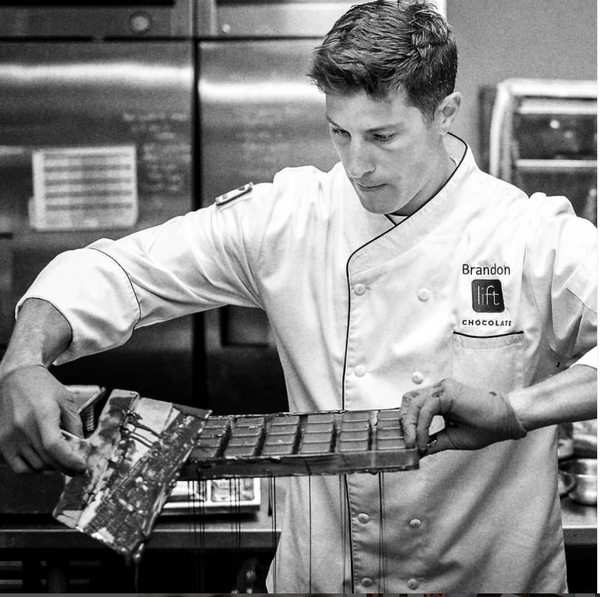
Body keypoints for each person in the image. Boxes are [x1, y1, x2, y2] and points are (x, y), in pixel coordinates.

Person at [0, 0, 595, 592]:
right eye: (340, 133)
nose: (358, 164)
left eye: (383, 136)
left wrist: (515, 413)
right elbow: (120, 270)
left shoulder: (529, 235)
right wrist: (24, 359)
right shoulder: (289, 218)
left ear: (444, 113)